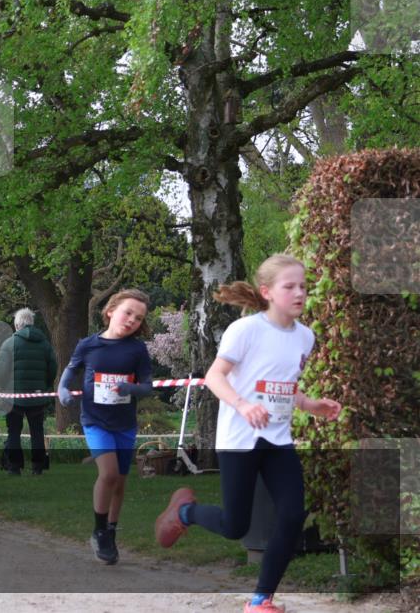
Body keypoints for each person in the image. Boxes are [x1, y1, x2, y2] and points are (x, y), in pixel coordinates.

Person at [155, 254, 342, 613]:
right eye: (290, 287)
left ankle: (261, 599)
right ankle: (185, 513)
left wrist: (311, 404)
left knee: (292, 514)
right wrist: (243, 406)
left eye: (303, 286)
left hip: (277, 440)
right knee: (235, 525)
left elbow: (284, 387)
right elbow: (214, 377)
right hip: (239, 439)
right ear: (267, 291)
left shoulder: (305, 337)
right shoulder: (246, 330)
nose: (300, 293)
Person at [58, 289, 154, 565]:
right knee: (109, 474)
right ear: (111, 310)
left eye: (138, 318)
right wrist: (63, 388)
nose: (132, 320)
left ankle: (110, 531)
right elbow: (71, 369)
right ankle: (99, 530)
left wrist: (131, 388)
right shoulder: (88, 345)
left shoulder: (137, 349)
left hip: (124, 425)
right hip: (95, 421)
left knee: (120, 482)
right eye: (128, 313)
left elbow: (147, 387)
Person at [0, 308, 58, 476]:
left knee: (14, 431)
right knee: (37, 431)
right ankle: (38, 467)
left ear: (16, 325)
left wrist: (3, 387)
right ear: (32, 323)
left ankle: (14, 467)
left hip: (14, 396)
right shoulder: (44, 343)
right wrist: (45, 385)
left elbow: (1, 370)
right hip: (37, 395)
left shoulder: (9, 343)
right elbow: (53, 367)